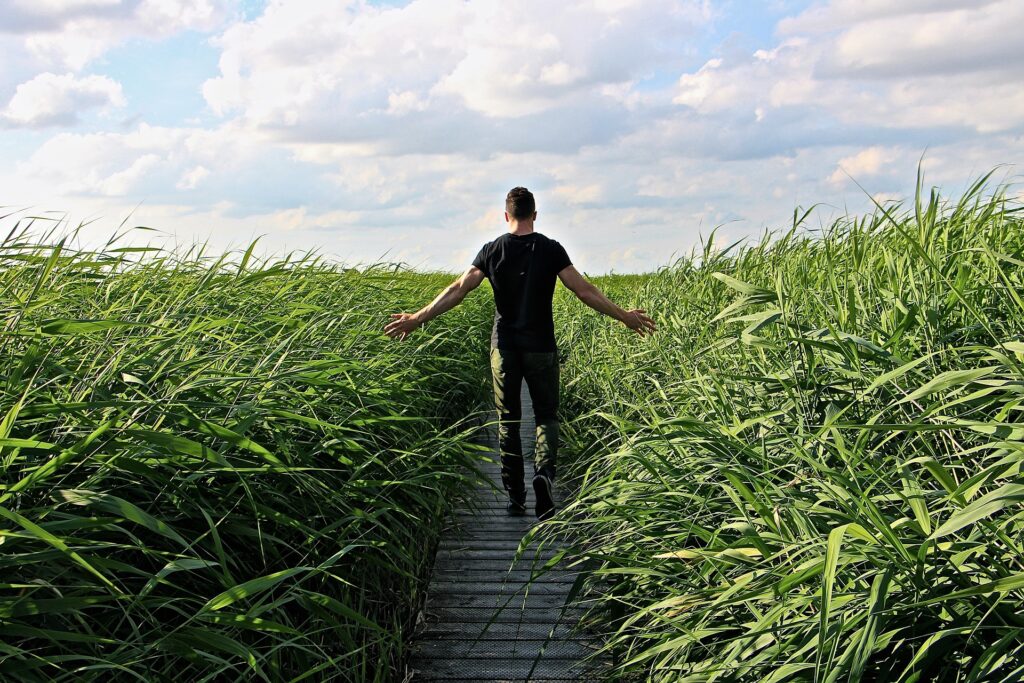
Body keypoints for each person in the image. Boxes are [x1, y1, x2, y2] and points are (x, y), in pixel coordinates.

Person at [384, 187, 656, 520]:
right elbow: (583, 290)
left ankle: (515, 495)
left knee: (508, 421)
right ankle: (544, 475)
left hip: (505, 349)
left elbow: (458, 290)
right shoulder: (551, 249)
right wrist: (625, 316)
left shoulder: (492, 250)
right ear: (535, 215)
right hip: (541, 346)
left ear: (506, 215)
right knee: (545, 416)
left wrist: (416, 318)